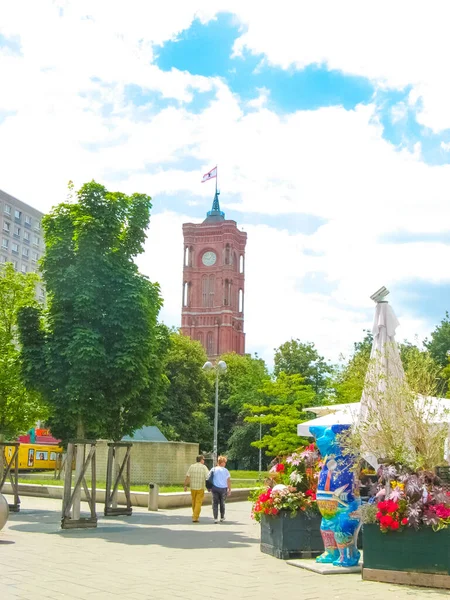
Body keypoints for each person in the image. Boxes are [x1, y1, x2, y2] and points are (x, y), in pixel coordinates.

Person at [184, 455, 210, 523]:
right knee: (198, 502)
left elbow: (188, 476)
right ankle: (195, 517)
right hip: (200, 487)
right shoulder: (204, 467)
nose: (204, 461)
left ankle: (195, 515)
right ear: (201, 460)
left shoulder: (192, 466)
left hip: (193, 487)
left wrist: (185, 485)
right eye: (203, 459)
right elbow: (208, 476)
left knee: (193, 502)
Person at [210, 455, 231, 523]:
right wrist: (229, 489)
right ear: (222, 462)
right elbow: (228, 480)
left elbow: (209, 478)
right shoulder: (226, 470)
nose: (225, 464)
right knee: (222, 503)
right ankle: (222, 517)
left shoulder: (213, 469)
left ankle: (215, 518)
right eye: (225, 462)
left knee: (215, 503)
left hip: (215, 488)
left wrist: (209, 487)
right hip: (223, 489)